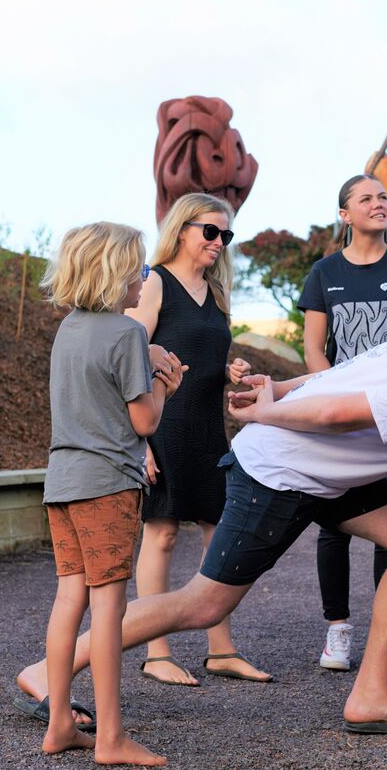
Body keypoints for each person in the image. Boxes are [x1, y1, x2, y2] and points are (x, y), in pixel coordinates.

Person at [16, 284, 387, 738]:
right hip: (282, 469)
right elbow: (337, 413)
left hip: (328, 472)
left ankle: (371, 695)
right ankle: (47, 672)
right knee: (203, 605)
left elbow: (344, 375)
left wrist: (278, 388)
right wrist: (269, 414)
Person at [21, 222, 183, 766]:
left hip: (62, 483)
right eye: (140, 269)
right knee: (109, 610)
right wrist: (164, 383)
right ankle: (111, 738)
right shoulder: (126, 333)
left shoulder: (68, 328)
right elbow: (144, 421)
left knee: (69, 598)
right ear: (117, 274)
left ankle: (59, 724)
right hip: (108, 486)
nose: (144, 278)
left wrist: (145, 356)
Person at [125, 193, 270, 686]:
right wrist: (139, 439)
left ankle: (221, 650)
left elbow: (197, 353)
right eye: (210, 231)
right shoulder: (154, 282)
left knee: (219, 537)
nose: (219, 241)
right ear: (181, 229)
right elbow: (128, 355)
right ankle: (156, 653)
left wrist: (229, 371)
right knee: (162, 534)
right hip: (163, 424)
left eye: (225, 234)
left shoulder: (217, 290)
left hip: (208, 429)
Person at [299, 173, 387, 674]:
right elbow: (314, 350)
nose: (379, 203)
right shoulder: (324, 273)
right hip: (340, 418)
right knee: (333, 527)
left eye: (383, 197)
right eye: (366, 198)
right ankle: (337, 632)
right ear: (345, 214)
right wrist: (338, 402)